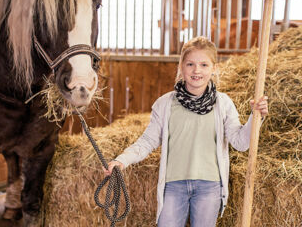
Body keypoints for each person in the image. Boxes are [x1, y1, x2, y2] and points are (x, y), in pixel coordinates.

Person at [103, 36, 268, 227]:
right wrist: (122, 160)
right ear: (181, 66)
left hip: (209, 186)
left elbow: (240, 142)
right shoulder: (165, 104)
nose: (197, 70)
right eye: (190, 64)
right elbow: (147, 141)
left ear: (214, 68)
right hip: (174, 186)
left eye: (204, 65)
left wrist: (256, 117)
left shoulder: (223, 104)